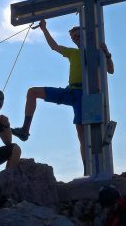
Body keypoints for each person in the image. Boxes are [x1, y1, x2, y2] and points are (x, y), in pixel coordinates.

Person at [11, 19, 114, 169]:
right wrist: (44, 29)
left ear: (85, 34)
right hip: (69, 91)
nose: (75, 39)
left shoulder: (96, 53)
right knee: (32, 92)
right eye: (73, 37)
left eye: (78, 36)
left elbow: (110, 70)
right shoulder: (72, 53)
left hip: (83, 94)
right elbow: (54, 46)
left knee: (82, 133)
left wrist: (107, 55)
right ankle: (25, 130)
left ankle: (88, 168)